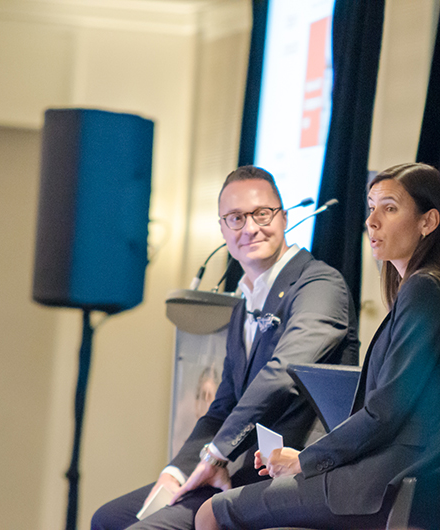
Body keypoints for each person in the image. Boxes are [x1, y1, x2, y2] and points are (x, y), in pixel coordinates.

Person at [194, 162, 440, 530]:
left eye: (390, 208)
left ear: (428, 222)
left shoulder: (427, 288)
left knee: (211, 512)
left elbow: (385, 412)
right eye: (371, 208)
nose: (372, 221)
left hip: (387, 482)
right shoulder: (437, 288)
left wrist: (306, 460)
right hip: (392, 475)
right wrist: (309, 459)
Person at [92, 166, 359, 530]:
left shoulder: (320, 284)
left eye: (261, 214)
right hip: (235, 466)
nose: (250, 228)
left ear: (284, 217)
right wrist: (177, 469)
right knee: (108, 519)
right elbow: (222, 406)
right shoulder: (241, 304)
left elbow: (283, 373)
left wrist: (215, 454)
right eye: (235, 218)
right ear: (222, 229)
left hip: (291, 474)